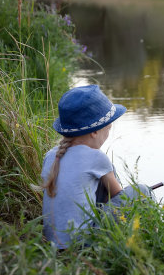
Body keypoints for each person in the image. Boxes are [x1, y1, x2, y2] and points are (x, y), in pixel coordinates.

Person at [41, 84, 154, 249]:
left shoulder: (51, 155)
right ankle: (151, 235)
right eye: (108, 129)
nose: (108, 134)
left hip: (53, 244)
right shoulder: (96, 157)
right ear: (94, 131)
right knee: (142, 191)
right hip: (84, 243)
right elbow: (119, 196)